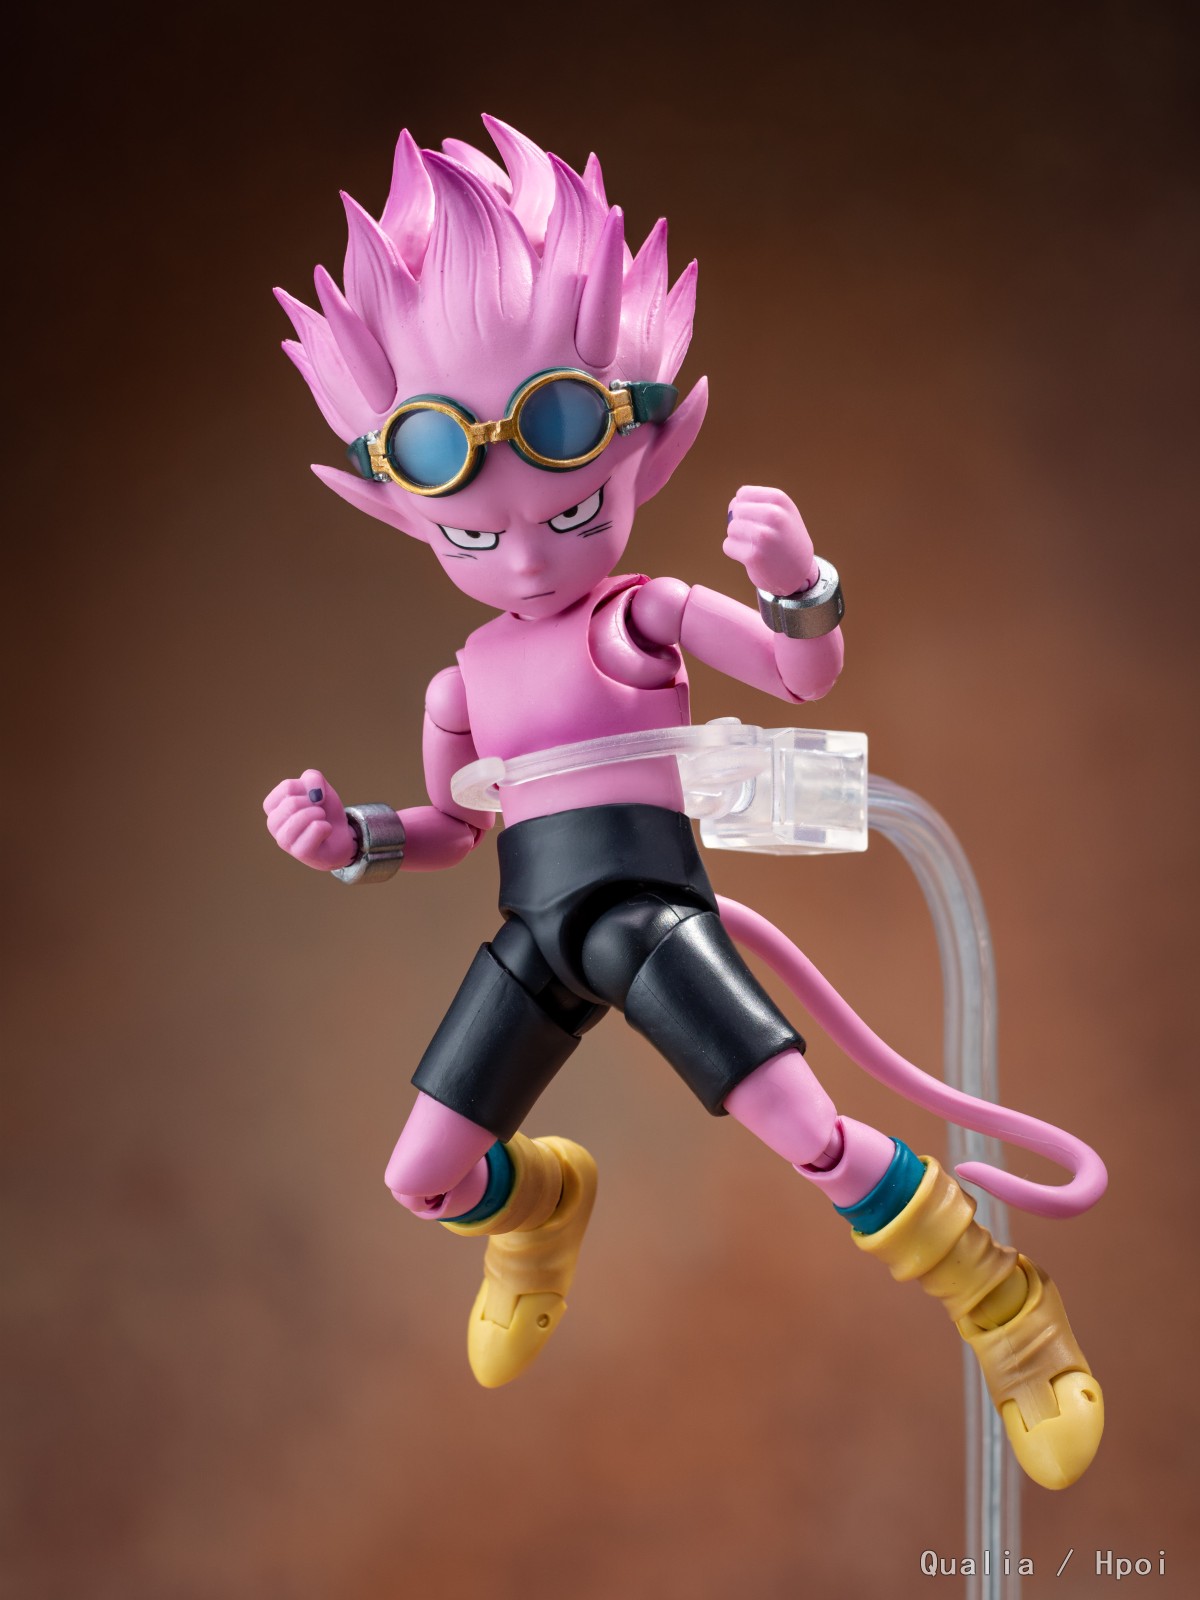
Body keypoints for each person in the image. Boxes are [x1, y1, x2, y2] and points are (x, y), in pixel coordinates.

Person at [264, 118, 1104, 1490]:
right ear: (409, 515)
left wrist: (797, 583)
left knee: (813, 1136)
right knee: (424, 1177)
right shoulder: (464, 677)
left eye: (566, 509)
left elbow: (798, 673)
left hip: (654, 921)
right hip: (535, 943)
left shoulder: (643, 613)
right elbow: (455, 828)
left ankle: (1007, 1308)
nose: (524, 553)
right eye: (473, 530)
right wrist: (349, 838)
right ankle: (541, 1208)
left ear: (635, 453)